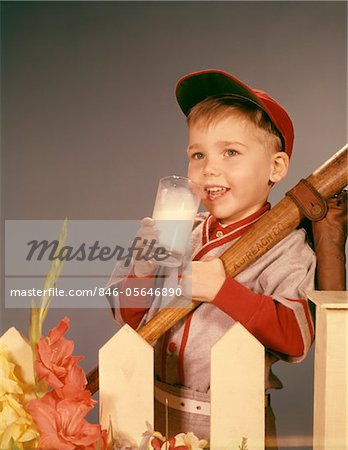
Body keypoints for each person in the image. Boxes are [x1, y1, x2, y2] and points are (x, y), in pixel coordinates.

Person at [106, 69, 316, 449]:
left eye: (231, 152)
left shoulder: (287, 248)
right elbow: (127, 319)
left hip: (233, 424)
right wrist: (141, 272)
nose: (209, 168)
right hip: (152, 413)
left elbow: (297, 339)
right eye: (197, 154)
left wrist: (222, 290)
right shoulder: (178, 233)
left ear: (276, 167)